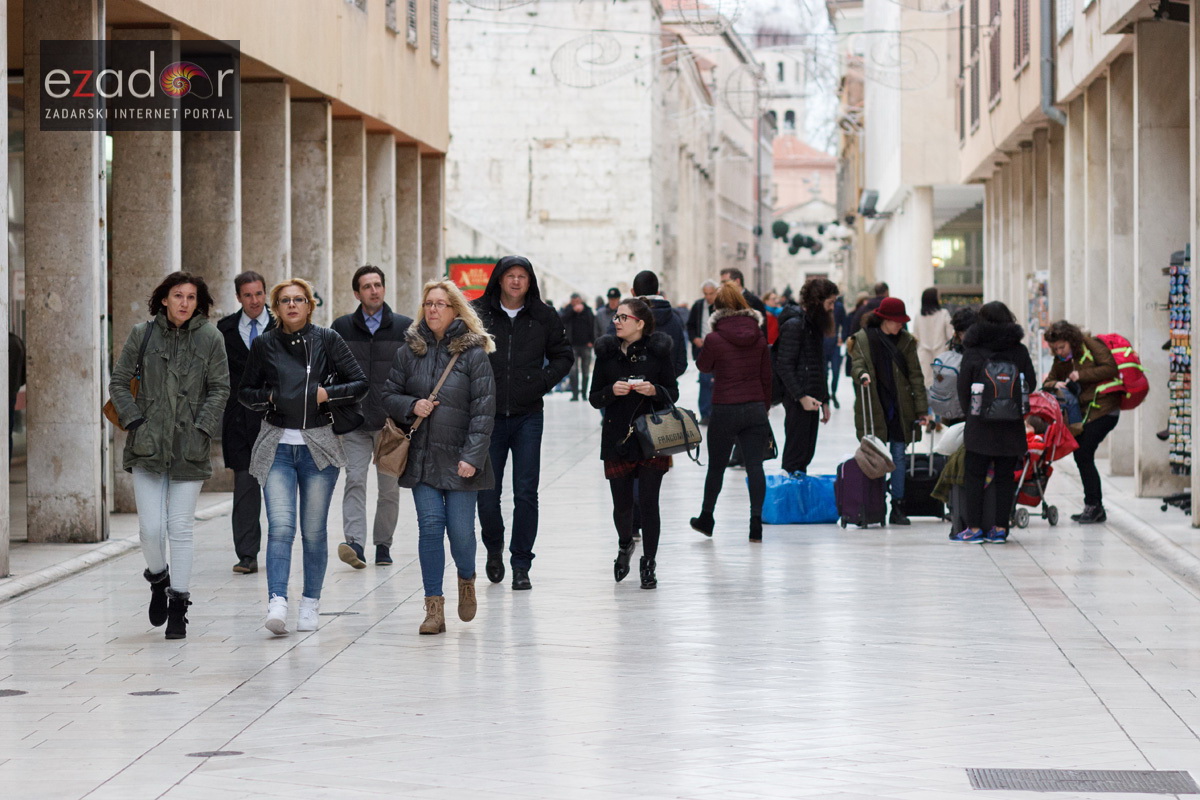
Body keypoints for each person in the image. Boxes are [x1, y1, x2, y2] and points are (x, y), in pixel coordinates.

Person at [239, 278, 368, 635]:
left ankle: (310, 602)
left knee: (313, 531)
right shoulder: (264, 344)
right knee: (281, 528)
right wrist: (269, 397)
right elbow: (245, 391)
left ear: (310, 305)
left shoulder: (328, 339)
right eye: (285, 300)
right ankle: (277, 601)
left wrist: (327, 394)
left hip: (318, 447)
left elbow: (360, 383)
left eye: (299, 299)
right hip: (277, 445)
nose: (292, 305)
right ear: (276, 308)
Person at [109, 272, 229, 640]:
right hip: (147, 445)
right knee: (150, 529)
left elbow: (220, 388)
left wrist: (201, 428)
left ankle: (178, 605)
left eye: (191, 297)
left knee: (180, 528)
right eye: (178, 295)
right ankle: (159, 579)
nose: (184, 303)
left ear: (199, 302)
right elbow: (118, 382)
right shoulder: (142, 334)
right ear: (164, 299)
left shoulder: (211, 337)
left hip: (189, 448)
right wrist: (136, 421)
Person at [382, 280, 496, 634]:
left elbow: (484, 410)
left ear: (455, 310)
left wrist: (473, 456)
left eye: (440, 304)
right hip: (422, 459)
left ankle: (466, 578)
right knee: (430, 529)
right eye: (428, 303)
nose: (433, 309)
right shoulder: (408, 352)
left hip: (462, 460)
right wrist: (411, 405)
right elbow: (388, 395)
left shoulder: (474, 354)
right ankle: (433, 608)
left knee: (460, 533)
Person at [473, 256, 572, 590]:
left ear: (530, 282)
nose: (516, 281)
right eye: (510, 275)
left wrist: (540, 382)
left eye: (522, 276)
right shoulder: (478, 313)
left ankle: (521, 564)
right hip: (487, 416)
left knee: (526, 492)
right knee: (487, 493)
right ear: (499, 279)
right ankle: (494, 547)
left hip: (528, 415)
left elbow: (564, 356)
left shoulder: (544, 316)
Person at [590, 297, 680, 588]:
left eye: (623, 317)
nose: (616, 321)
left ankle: (649, 562)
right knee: (623, 504)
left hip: (652, 436)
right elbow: (594, 397)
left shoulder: (658, 352)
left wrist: (654, 390)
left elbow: (673, 392)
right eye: (616, 317)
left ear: (640, 323)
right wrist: (611, 391)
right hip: (617, 436)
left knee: (649, 502)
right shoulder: (606, 353)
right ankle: (625, 544)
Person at [329, 266, 414, 569]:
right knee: (354, 480)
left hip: (390, 425)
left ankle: (383, 544)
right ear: (357, 293)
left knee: (389, 489)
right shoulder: (341, 328)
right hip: (353, 422)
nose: (374, 290)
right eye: (367, 286)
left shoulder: (405, 327)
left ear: (384, 288)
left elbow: (412, 374)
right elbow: (331, 371)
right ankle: (355, 543)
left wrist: (406, 411)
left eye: (378, 284)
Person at [689, 283, 772, 542]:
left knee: (716, 467)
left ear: (718, 308)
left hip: (725, 408)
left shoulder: (714, 338)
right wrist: (764, 407)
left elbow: (703, 366)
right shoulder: (759, 336)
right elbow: (767, 376)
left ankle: (707, 518)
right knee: (755, 466)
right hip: (755, 407)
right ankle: (756, 523)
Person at [952, 301, 1037, 543]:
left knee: (974, 475)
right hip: (1011, 425)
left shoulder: (973, 350)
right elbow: (1030, 383)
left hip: (980, 424)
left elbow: (963, 387)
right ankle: (1000, 528)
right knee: (1005, 477)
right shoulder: (1018, 350)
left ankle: (974, 528)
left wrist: (971, 413)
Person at [849, 297, 930, 525]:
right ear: (885, 319)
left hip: (900, 407)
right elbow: (857, 364)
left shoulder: (906, 341)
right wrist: (862, 375)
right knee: (874, 456)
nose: (900, 325)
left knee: (899, 455)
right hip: (875, 404)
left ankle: (898, 506)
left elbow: (916, 376)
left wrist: (921, 409)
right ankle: (874, 505)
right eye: (897, 321)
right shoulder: (864, 339)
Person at [217, 271, 275, 575]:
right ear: (238, 297)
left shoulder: (281, 326)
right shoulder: (224, 329)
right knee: (245, 487)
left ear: (266, 294)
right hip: (239, 420)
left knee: (278, 489)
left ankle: (279, 550)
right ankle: (247, 554)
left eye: (259, 293)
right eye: (248, 295)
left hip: (275, 419)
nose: (254, 301)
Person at [1042, 320, 1120, 523]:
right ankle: (1094, 506)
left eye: (1062, 346)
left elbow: (1110, 368)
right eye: (1055, 348)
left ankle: (1094, 506)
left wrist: (1081, 375)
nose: (1059, 351)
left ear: (1071, 340)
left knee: (1083, 452)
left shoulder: (1090, 344)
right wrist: (1055, 383)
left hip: (1105, 408)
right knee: (1082, 454)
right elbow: (1047, 382)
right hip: (1087, 411)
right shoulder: (1061, 360)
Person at [776, 278, 839, 475]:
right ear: (817, 301)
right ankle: (790, 491)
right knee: (795, 456)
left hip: (812, 399)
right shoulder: (794, 325)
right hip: (799, 399)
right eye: (829, 303)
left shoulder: (813, 325)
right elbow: (784, 365)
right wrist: (801, 397)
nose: (832, 308)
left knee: (805, 454)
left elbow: (819, 365)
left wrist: (825, 400)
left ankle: (798, 489)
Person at [629, 270, 687, 378]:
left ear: (633, 292)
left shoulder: (623, 318)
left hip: (632, 385)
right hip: (666, 385)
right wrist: (666, 379)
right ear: (657, 292)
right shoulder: (675, 319)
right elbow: (681, 362)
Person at [687, 280, 720, 424]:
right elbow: (690, 325)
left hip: (718, 348)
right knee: (705, 379)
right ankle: (706, 413)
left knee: (717, 380)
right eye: (706, 294)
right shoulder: (698, 306)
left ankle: (716, 413)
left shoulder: (721, 306)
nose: (708, 297)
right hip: (703, 348)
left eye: (711, 293)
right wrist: (695, 338)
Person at [913, 287, 955, 388]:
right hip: (941, 354)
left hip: (923, 355)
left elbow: (915, 337)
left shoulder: (918, 316)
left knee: (925, 383)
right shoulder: (944, 313)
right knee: (941, 384)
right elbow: (950, 335)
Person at [559, 293, 595, 401]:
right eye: (574, 301)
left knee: (585, 370)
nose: (576, 303)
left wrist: (592, 341)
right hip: (572, 345)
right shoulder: (568, 310)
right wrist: (573, 311)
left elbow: (592, 325)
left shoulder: (587, 310)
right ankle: (575, 394)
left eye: (577, 301)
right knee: (573, 371)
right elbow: (562, 320)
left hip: (586, 345)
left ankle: (584, 393)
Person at [719, 267, 768, 333]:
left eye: (725, 282)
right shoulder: (723, 301)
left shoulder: (753, 301)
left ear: (737, 281)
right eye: (721, 283)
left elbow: (761, 329)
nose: (722, 286)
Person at [824, 295, 847, 408]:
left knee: (836, 370)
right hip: (823, 343)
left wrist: (842, 338)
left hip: (834, 343)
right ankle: (826, 395)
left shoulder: (839, 307)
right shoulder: (821, 306)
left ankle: (833, 392)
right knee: (824, 372)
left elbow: (845, 323)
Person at [8, 331, 24, 459]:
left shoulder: (9, 343)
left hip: (7, 393)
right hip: (11, 394)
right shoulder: (17, 342)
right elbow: (24, 372)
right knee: (6, 434)